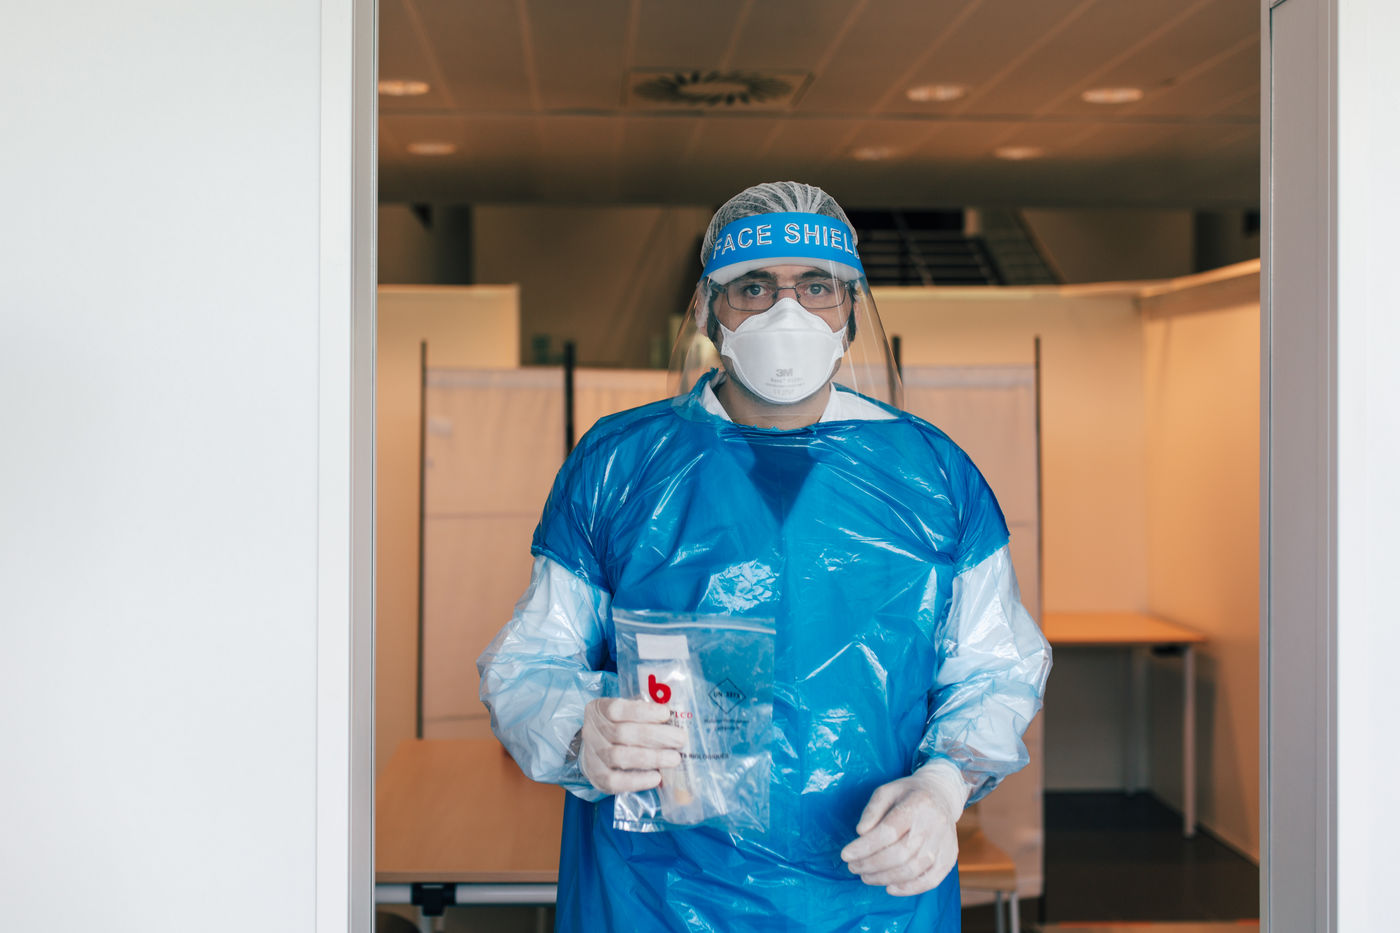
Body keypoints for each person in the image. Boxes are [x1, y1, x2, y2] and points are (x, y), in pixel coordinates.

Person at [479, 181, 1052, 932]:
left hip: (869, 897)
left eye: (816, 287)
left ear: (850, 310)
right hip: (653, 895)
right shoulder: (620, 466)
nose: (789, 314)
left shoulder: (933, 478)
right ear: (709, 309)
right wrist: (580, 729)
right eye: (754, 288)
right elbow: (527, 665)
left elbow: (997, 670)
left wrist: (943, 786)